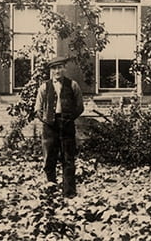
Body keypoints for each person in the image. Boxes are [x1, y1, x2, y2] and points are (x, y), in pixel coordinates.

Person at [34, 55, 84, 197]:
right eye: (54, 68)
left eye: (60, 67)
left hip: (67, 124)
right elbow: (37, 109)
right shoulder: (44, 87)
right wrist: (47, 120)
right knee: (49, 158)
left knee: (68, 158)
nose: (57, 71)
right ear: (51, 70)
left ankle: (69, 193)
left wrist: (68, 118)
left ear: (64, 68)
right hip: (49, 126)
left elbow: (80, 107)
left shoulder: (73, 85)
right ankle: (51, 190)